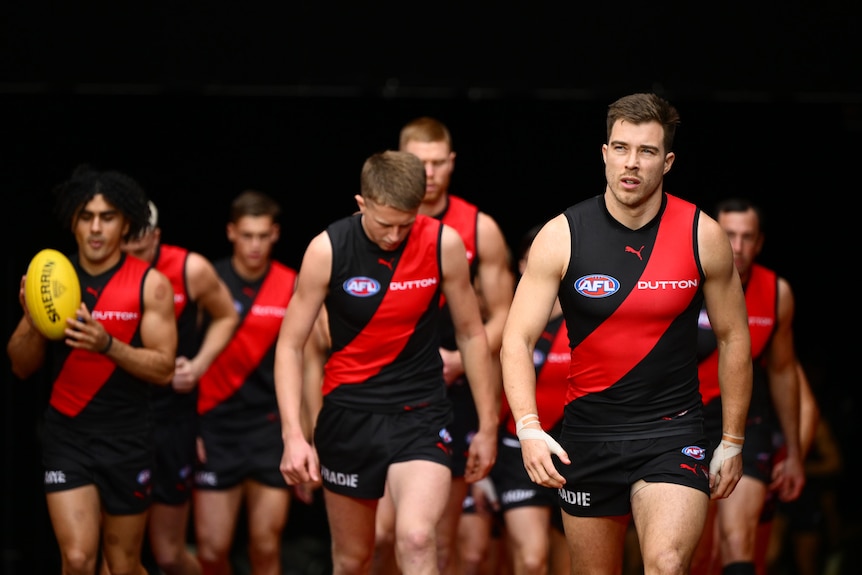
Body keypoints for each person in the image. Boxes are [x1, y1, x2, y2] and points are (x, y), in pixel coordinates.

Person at [499, 92, 754, 575]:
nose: (631, 163)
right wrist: (528, 428)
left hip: (672, 432)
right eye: (621, 148)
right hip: (588, 435)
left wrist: (733, 439)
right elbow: (516, 339)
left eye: (647, 151)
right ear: (604, 153)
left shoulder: (703, 234)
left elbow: (733, 338)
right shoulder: (562, 234)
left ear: (668, 161)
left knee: (666, 563)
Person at [273, 150, 499, 575]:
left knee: (416, 538)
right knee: (355, 558)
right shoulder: (327, 249)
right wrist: (293, 435)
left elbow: (471, 333)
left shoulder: (443, 243)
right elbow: (290, 345)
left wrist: (488, 427)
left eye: (405, 224)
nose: (395, 236)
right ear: (361, 203)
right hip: (349, 415)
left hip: (421, 412)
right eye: (384, 223)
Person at [7, 164, 178, 575]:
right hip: (69, 437)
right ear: (73, 222)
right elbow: (19, 367)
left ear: (126, 224)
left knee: (123, 565)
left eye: (107, 217)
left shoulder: (151, 284)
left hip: (128, 438)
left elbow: (164, 369)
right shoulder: (50, 280)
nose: (96, 228)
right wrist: (33, 320)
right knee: (79, 559)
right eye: (86, 217)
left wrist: (107, 345)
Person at [374, 115, 515, 575]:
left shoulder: (479, 227)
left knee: (435, 541)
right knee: (380, 537)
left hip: (452, 395)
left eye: (438, 162)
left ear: (452, 162)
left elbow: (505, 315)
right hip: (384, 391)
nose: (429, 173)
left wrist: (458, 360)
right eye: (420, 162)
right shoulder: (377, 222)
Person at [119, 200, 239, 575]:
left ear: (155, 237)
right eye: (125, 248)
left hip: (172, 417)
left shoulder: (191, 268)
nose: (132, 259)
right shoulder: (100, 271)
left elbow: (227, 315)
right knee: (117, 557)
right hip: (118, 417)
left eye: (140, 249)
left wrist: (199, 365)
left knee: (169, 556)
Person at [691, 198, 806, 575]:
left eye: (747, 237)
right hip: (688, 421)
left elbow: (783, 372)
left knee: (738, 538)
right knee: (696, 552)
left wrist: (793, 452)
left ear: (759, 243)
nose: (737, 247)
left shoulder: (777, 292)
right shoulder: (686, 282)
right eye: (729, 236)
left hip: (746, 423)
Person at [193, 189, 298, 575]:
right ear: (231, 232)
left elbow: (308, 362)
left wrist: (302, 434)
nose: (255, 245)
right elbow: (187, 352)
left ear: (275, 234)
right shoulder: (209, 280)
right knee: (211, 550)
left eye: (263, 236)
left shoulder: (292, 284)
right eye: (247, 235)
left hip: (269, 429)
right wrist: (192, 425)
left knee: (266, 545)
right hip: (216, 427)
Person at [485, 223, 571, 575]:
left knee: (573, 563)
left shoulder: (589, 318)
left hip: (574, 449)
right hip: (516, 447)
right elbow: (489, 392)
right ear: (521, 264)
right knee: (532, 559)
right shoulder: (504, 319)